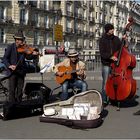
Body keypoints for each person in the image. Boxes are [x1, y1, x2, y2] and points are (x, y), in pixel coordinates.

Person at [2, 30, 39, 102]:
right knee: (12, 90)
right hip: (12, 72)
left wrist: (34, 55)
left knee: (20, 90)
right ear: (16, 40)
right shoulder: (10, 47)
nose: (21, 41)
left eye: (22, 39)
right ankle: (12, 105)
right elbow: (5, 58)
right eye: (20, 40)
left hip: (21, 71)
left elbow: (28, 57)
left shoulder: (24, 48)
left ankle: (19, 103)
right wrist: (9, 66)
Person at [99, 23, 122, 106]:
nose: (113, 30)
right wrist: (111, 57)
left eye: (113, 29)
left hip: (115, 65)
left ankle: (113, 98)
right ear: (107, 30)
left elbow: (121, 49)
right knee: (105, 82)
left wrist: (124, 41)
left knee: (115, 82)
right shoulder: (102, 40)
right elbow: (102, 53)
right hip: (106, 64)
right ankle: (104, 100)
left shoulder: (116, 39)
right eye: (111, 29)